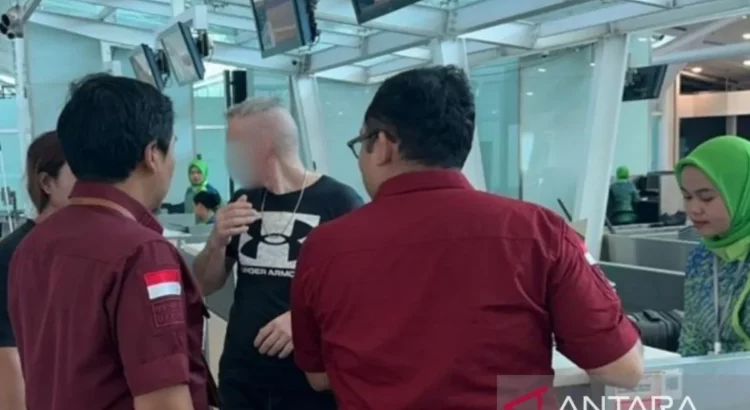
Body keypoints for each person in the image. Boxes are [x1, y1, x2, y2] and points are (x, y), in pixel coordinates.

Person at [290, 66, 644, 409]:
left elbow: (319, 377)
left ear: (382, 145)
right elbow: (623, 369)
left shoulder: (324, 247)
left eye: (361, 143)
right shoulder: (539, 232)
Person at [9, 74, 210, 410]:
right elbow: (163, 402)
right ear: (152, 155)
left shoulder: (32, 246)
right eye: (173, 146)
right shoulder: (144, 254)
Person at [192, 97, 363, 410]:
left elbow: (361, 295)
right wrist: (216, 241)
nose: (229, 158)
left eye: (233, 147)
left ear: (263, 147)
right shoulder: (243, 199)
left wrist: (302, 321)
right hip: (243, 376)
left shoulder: (339, 202)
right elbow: (205, 284)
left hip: (308, 382)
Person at [0, 131, 75, 410]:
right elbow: (7, 355)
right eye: (79, 172)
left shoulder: (92, 250)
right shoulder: (13, 255)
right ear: (46, 182)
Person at [676, 135, 750, 356]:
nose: (694, 209)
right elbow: (692, 336)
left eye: (706, 198)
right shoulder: (702, 256)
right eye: (687, 197)